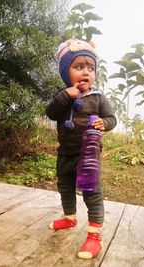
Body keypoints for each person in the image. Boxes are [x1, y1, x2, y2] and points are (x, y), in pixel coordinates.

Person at [46, 39, 117, 259]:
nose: (86, 72)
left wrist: (103, 124)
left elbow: (112, 119)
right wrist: (67, 95)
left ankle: (95, 236)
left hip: (88, 157)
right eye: (78, 67)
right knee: (65, 187)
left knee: (91, 192)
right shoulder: (63, 95)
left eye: (91, 68)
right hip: (65, 154)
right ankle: (69, 218)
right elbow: (51, 113)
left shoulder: (98, 97)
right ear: (66, 73)